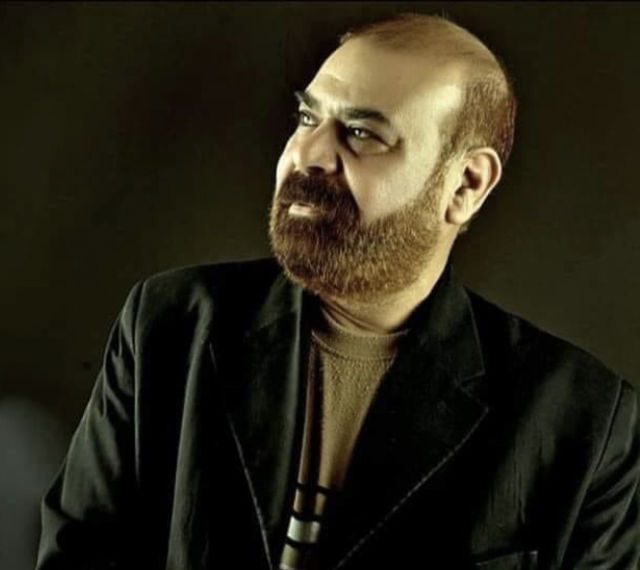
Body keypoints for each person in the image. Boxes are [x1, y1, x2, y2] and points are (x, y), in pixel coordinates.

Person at [36, 12, 640, 570]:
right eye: (307, 118)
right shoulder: (170, 324)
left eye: (361, 133)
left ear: (466, 185)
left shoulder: (584, 421)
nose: (307, 155)